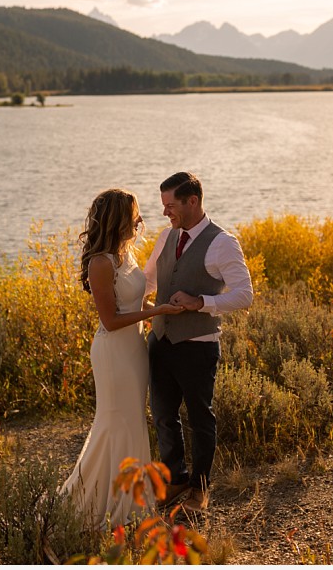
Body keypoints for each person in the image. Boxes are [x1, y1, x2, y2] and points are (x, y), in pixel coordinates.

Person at [62, 188, 183, 529]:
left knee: (132, 422)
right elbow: (111, 320)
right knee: (114, 423)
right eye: (134, 216)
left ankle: (133, 499)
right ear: (118, 220)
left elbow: (133, 305)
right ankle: (100, 502)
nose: (140, 221)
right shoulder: (101, 263)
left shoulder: (125, 255)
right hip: (114, 353)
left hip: (135, 349)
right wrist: (157, 310)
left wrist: (160, 311)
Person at [143, 172, 254, 515]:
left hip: (198, 344)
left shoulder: (223, 242)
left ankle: (200, 490)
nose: (165, 213)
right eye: (163, 206)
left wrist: (201, 302)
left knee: (199, 418)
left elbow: (244, 295)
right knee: (163, 415)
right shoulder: (165, 237)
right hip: (160, 340)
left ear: (193, 201)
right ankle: (176, 479)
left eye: (170, 205)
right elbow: (147, 282)